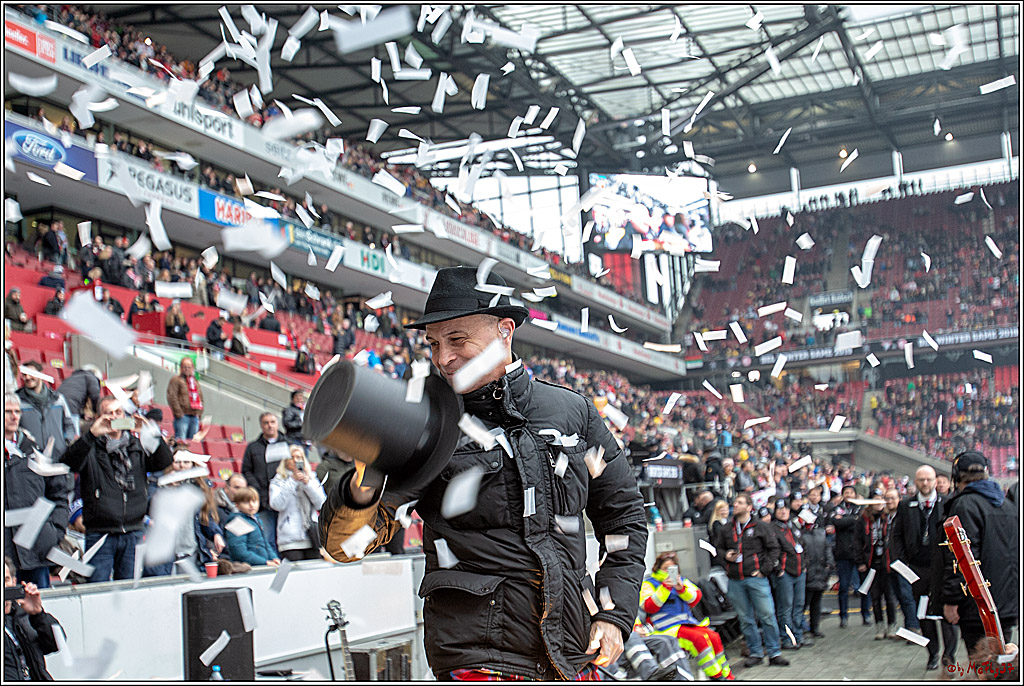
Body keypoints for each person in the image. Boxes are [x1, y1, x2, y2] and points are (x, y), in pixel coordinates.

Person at [319, 266, 648, 680]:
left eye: (457, 340)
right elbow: (345, 545)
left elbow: (624, 519)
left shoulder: (573, 411)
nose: (443, 358)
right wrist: (362, 484)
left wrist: (614, 613)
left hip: (571, 653)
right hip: (478, 663)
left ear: (504, 330)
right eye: (434, 343)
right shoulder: (426, 424)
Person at [59, 396, 173, 582]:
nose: (113, 417)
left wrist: (150, 434)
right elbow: (68, 463)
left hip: (133, 530)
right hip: (100, 532)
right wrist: (92, 434)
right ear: (99, 417)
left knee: (127, 590)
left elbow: (164, 461)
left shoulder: (137, 445)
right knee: (98, 589)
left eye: (118, 412)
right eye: (108, 413)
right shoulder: (91, 446)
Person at [940, 451, 1019, 657]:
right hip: (1006, 604)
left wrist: (951, 600)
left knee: (983, 667)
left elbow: (961, 558)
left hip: (978, 607)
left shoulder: (964, 505)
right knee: (1000, 664)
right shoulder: (1008, 505)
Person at [891, 465, 956, 670]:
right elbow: (896, 536)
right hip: (918, 570)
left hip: (943, 569)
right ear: (915, 482)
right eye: (921, 480)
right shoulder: (905, 505)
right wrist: (903, 564)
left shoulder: (948, 503)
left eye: (928, 479)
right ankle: (932, 653)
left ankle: (949, 655)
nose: (925, 484)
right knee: (924, 614)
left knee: (947, 614)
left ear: (935, 481)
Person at [712, 493, 788, 668]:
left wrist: (764, 570)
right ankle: (755, 652)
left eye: (739, 502)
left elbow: (774, 549)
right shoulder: (726, 529)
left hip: (756, 579)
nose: (735, 505)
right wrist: (726, 556)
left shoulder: (761, 527)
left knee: (767, 615)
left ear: (749, 507)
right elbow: (718, 549)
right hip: (735, 580)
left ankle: (774, 652)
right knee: (745, 618)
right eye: (735, 502)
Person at [3, 394, 70, 589]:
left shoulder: (36, 452)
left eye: (17, 412)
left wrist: (54, 531)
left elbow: (58, 493)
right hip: (6, 554)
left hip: (37, 548)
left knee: (40, 607)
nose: (14, 417)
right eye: (8, 412)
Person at [639, 551, 733, 679]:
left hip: (687, 623)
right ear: (658, 568)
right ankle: (716, 676)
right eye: (666, 568)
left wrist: (681, 588)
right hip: (665, 629)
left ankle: (727, 676)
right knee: (698, 639)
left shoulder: (680, 580)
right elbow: (649, 606)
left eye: (672, 568)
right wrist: (665, 588)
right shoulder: (649, 583)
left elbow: (695, 598)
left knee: (714, 637)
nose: (668, 571)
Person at [4, 557, 63, 680]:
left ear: (14, 582)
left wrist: (38, 614)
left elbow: (56, 644)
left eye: (6, 580)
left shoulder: (23, 615)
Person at [269, 445, 326, 562]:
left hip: (311, 537)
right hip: (290, 539)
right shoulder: (278, 480)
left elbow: (321, 503)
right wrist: (292, 481)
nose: (296, 460)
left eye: (299, 457)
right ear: (286, 461)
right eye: (292, 457)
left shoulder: (312, 479)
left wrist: (308, 485)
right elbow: (277, 505)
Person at [16, 361, 77, 466]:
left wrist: (65, 444)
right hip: (32, 461)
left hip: (59, 458)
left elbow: (69, 424)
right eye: (24, 375)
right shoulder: (17, 401)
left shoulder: (58, 399)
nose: (27, 377)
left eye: (31, 373)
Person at [241, 412, 287, 553]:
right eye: (266, 423)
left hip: (285, 501)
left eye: (272, 422)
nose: (269, 426)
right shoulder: (253, 447)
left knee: (286, 540)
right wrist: (257, 489)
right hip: (262, 501)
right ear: (261, 426)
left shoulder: (288, 445)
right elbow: (247, 470)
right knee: (267, 539)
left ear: (277, 423)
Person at [854, 495, 897, 639]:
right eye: (875, 500)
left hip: (887, 563)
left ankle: (892, 625)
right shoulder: (863, 520)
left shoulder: (888, 517)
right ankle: (879, 625)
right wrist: (860, 561)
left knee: (890, 597)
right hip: (871, 563)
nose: (878, 503)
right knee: (875, 597)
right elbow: (857, 542)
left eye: (881, 500)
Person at [829, 485, 872, 627]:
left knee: (864, 587)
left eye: (851, 492)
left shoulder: (861, 508)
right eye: (846, 492)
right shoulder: (837, 508)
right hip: (843, 553)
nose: (848, 494)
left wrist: (845, 520)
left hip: (859, 552)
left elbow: (858, 522)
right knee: (844, 587)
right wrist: (849, 520)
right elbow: (836, 522)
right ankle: (843, 616)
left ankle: (866, 614)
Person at [770, 499, 809, 649]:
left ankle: (798, 636)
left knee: (798, 605)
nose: (783, 511)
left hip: (800, 571)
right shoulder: (773, 529)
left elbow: (803, 545)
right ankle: (787, 638)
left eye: (785, 508)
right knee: (785, 607)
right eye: (779, 509)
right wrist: (779, 569)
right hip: (785, 573)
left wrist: (805, 565)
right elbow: (772, 551)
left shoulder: (793, 525)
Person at [800, 503, 834, 640]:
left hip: (820, 572)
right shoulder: (801, 535)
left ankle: (814, 627)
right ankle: (803, 628)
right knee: (804, 603)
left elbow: (827, 550)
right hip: (810, 573)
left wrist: (829, 565)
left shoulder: (820, 533)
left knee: (816, 603)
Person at [225, 487, 280, 567]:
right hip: (248, 568)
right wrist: (264, 562)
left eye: (254, 501)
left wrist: (274, 558)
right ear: (237, 505)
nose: (251, 505)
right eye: (246, 502)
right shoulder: (237, 522)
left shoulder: (257, 520)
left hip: (262, 564)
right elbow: (239, 551)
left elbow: (265, 544)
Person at [166, 358, 203, 440]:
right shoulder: (176, 380)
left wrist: (199, 414)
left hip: (194, 416)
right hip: (183, 416)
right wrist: (179, 413)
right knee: (181, 442)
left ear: (193, 368)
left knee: (193, 443)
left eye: (189, 367)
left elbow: (200, 398)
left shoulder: (195, 382)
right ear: (181, 368)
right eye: (184, 366)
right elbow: (172, 397)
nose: (187, 369)